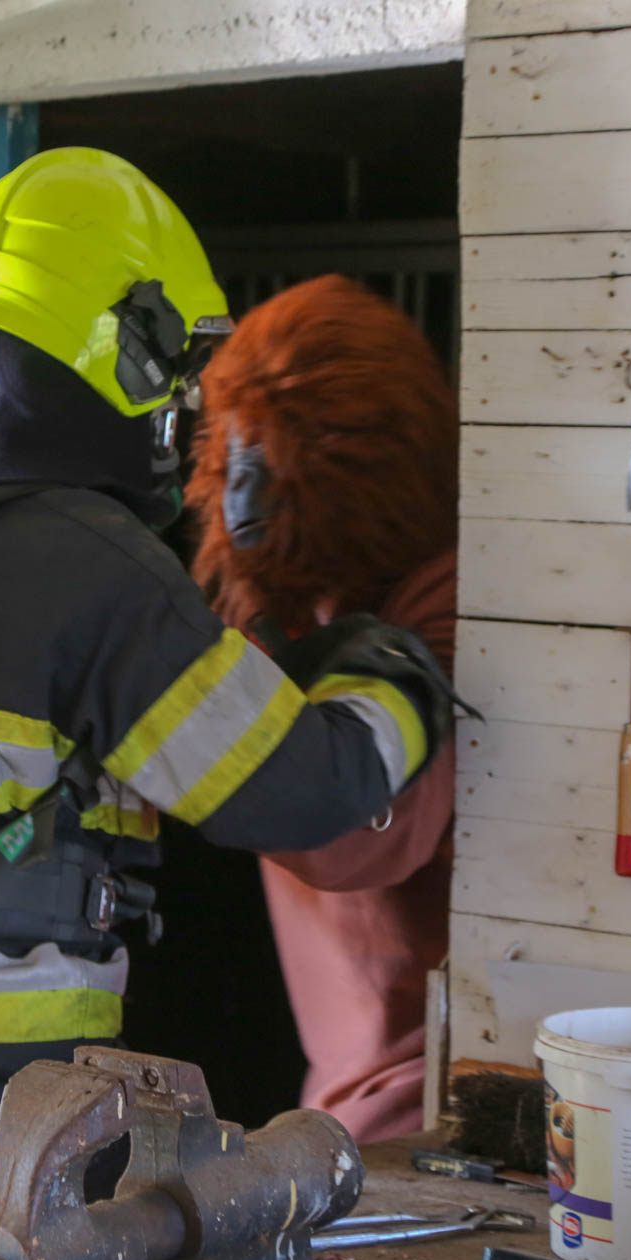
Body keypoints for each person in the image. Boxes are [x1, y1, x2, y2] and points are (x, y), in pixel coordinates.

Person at [0, 152, 460, 1260]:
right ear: (124, 344)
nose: (183, 399)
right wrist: (396, 676)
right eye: (177, 360)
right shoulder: (89, 561)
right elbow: (301, 788)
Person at [184, 274, 462, 1144]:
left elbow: (353, 835)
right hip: (337, 1102)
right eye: (233, 455)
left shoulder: (447, 606)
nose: (241, 496)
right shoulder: (292, 614)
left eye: (270, 457)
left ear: (359, 461)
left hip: (434, 1103)